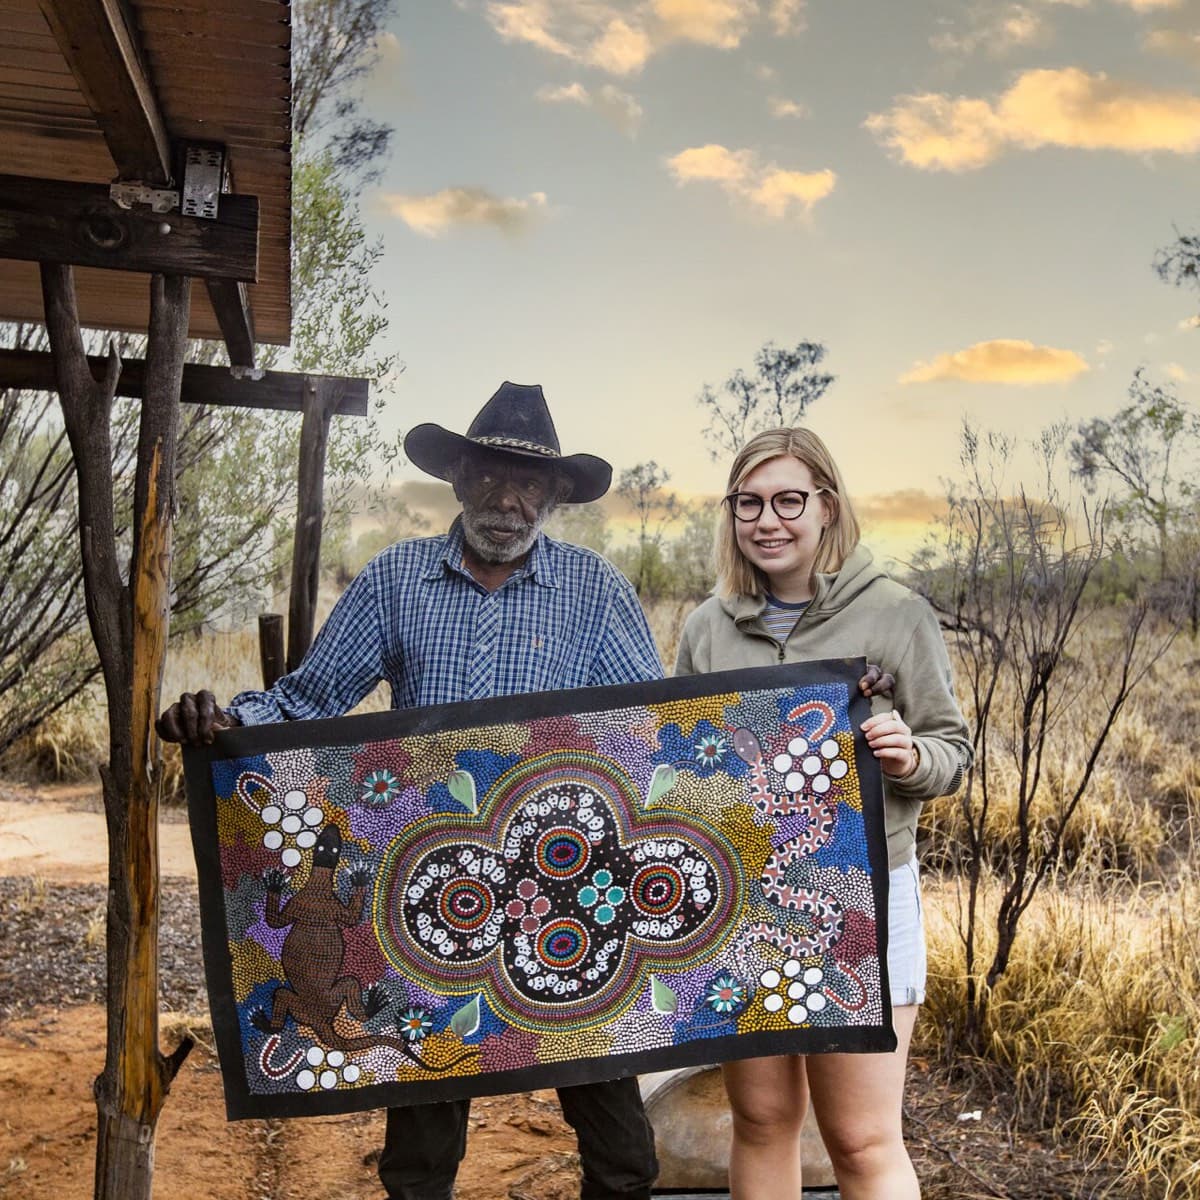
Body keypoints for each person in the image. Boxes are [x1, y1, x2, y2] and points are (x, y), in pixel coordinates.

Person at [158, 382, 662, 1200]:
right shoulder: (398, 579)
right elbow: (306, 700)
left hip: (566, 889)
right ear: (459, 478)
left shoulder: (596, 591)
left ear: (557, 494)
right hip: (434, 888)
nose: (508, 499)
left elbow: (648, 727)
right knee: (423, 1142)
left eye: (529, 482)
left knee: (621, 1150)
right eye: (491, 475)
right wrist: (221, 721)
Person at [674, 427, 972, 1200]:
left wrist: (909, 757)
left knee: (861, 1137)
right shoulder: (709, 627)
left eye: (788, 501)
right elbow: (677, 765)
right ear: (732, 513)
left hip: (865, 898)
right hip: (743, 903)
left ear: (827, 507)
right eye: (749, 503)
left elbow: (951, 750)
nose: (768, 521)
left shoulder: (896, 613)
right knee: (765, 1119)